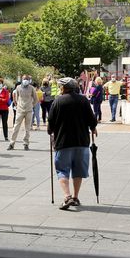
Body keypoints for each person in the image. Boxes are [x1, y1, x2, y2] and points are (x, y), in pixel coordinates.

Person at [47, 77, 97, 210]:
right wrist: (93, 128)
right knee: (78, 170)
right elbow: (92, 119)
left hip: (63, 142)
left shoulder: (57, 101)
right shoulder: (83, 100)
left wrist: (50, 131)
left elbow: (50, 123)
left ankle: (67, 196)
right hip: (82, 142)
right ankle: (75, 197)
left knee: (62, 170)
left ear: (63, 88)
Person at [7, 75, 38, 151]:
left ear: (29, 80)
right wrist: (17, 105)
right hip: (20, 110)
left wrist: (31, 105)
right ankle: (11, 143)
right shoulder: (18, 87)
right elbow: (16, 97)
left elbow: (36, 99)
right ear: (21, 79)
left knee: (27, 128)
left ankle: (26, 144)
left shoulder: (32, 88)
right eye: (24, 79)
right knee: (16, 127)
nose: (25, 80)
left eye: (27, 79)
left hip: (29, 110)